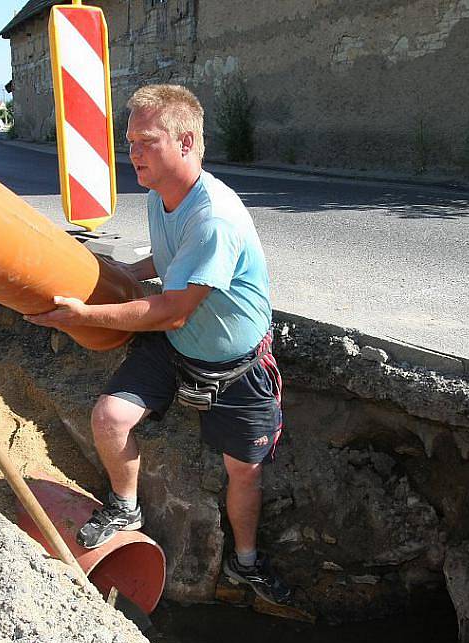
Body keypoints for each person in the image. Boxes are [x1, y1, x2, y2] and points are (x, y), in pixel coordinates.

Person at [25, 84, 291, 605]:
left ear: (186, 141)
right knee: (109, 417)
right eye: (129, 142)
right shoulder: (158, 197)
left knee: (245, 472)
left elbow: (172, 307)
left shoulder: (214, 216)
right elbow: (169, 264)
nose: (133, 154)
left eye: (146, 141)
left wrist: (83, 315)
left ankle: (245, 562)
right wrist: (127, 270)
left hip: (236, 367)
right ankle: (125, 507)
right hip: (174, 346)